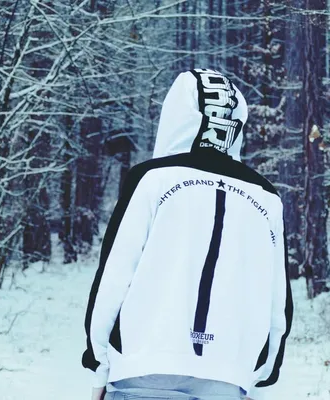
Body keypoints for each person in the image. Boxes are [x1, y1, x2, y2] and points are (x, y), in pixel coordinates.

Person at [82, 68, 293, 400]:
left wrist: (99, 367)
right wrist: (259, 379)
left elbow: (114, 277)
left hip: (142, 370)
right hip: (227, 377)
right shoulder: (266, 197)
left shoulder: (151, 179)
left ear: (177, 116)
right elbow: (276, 301)